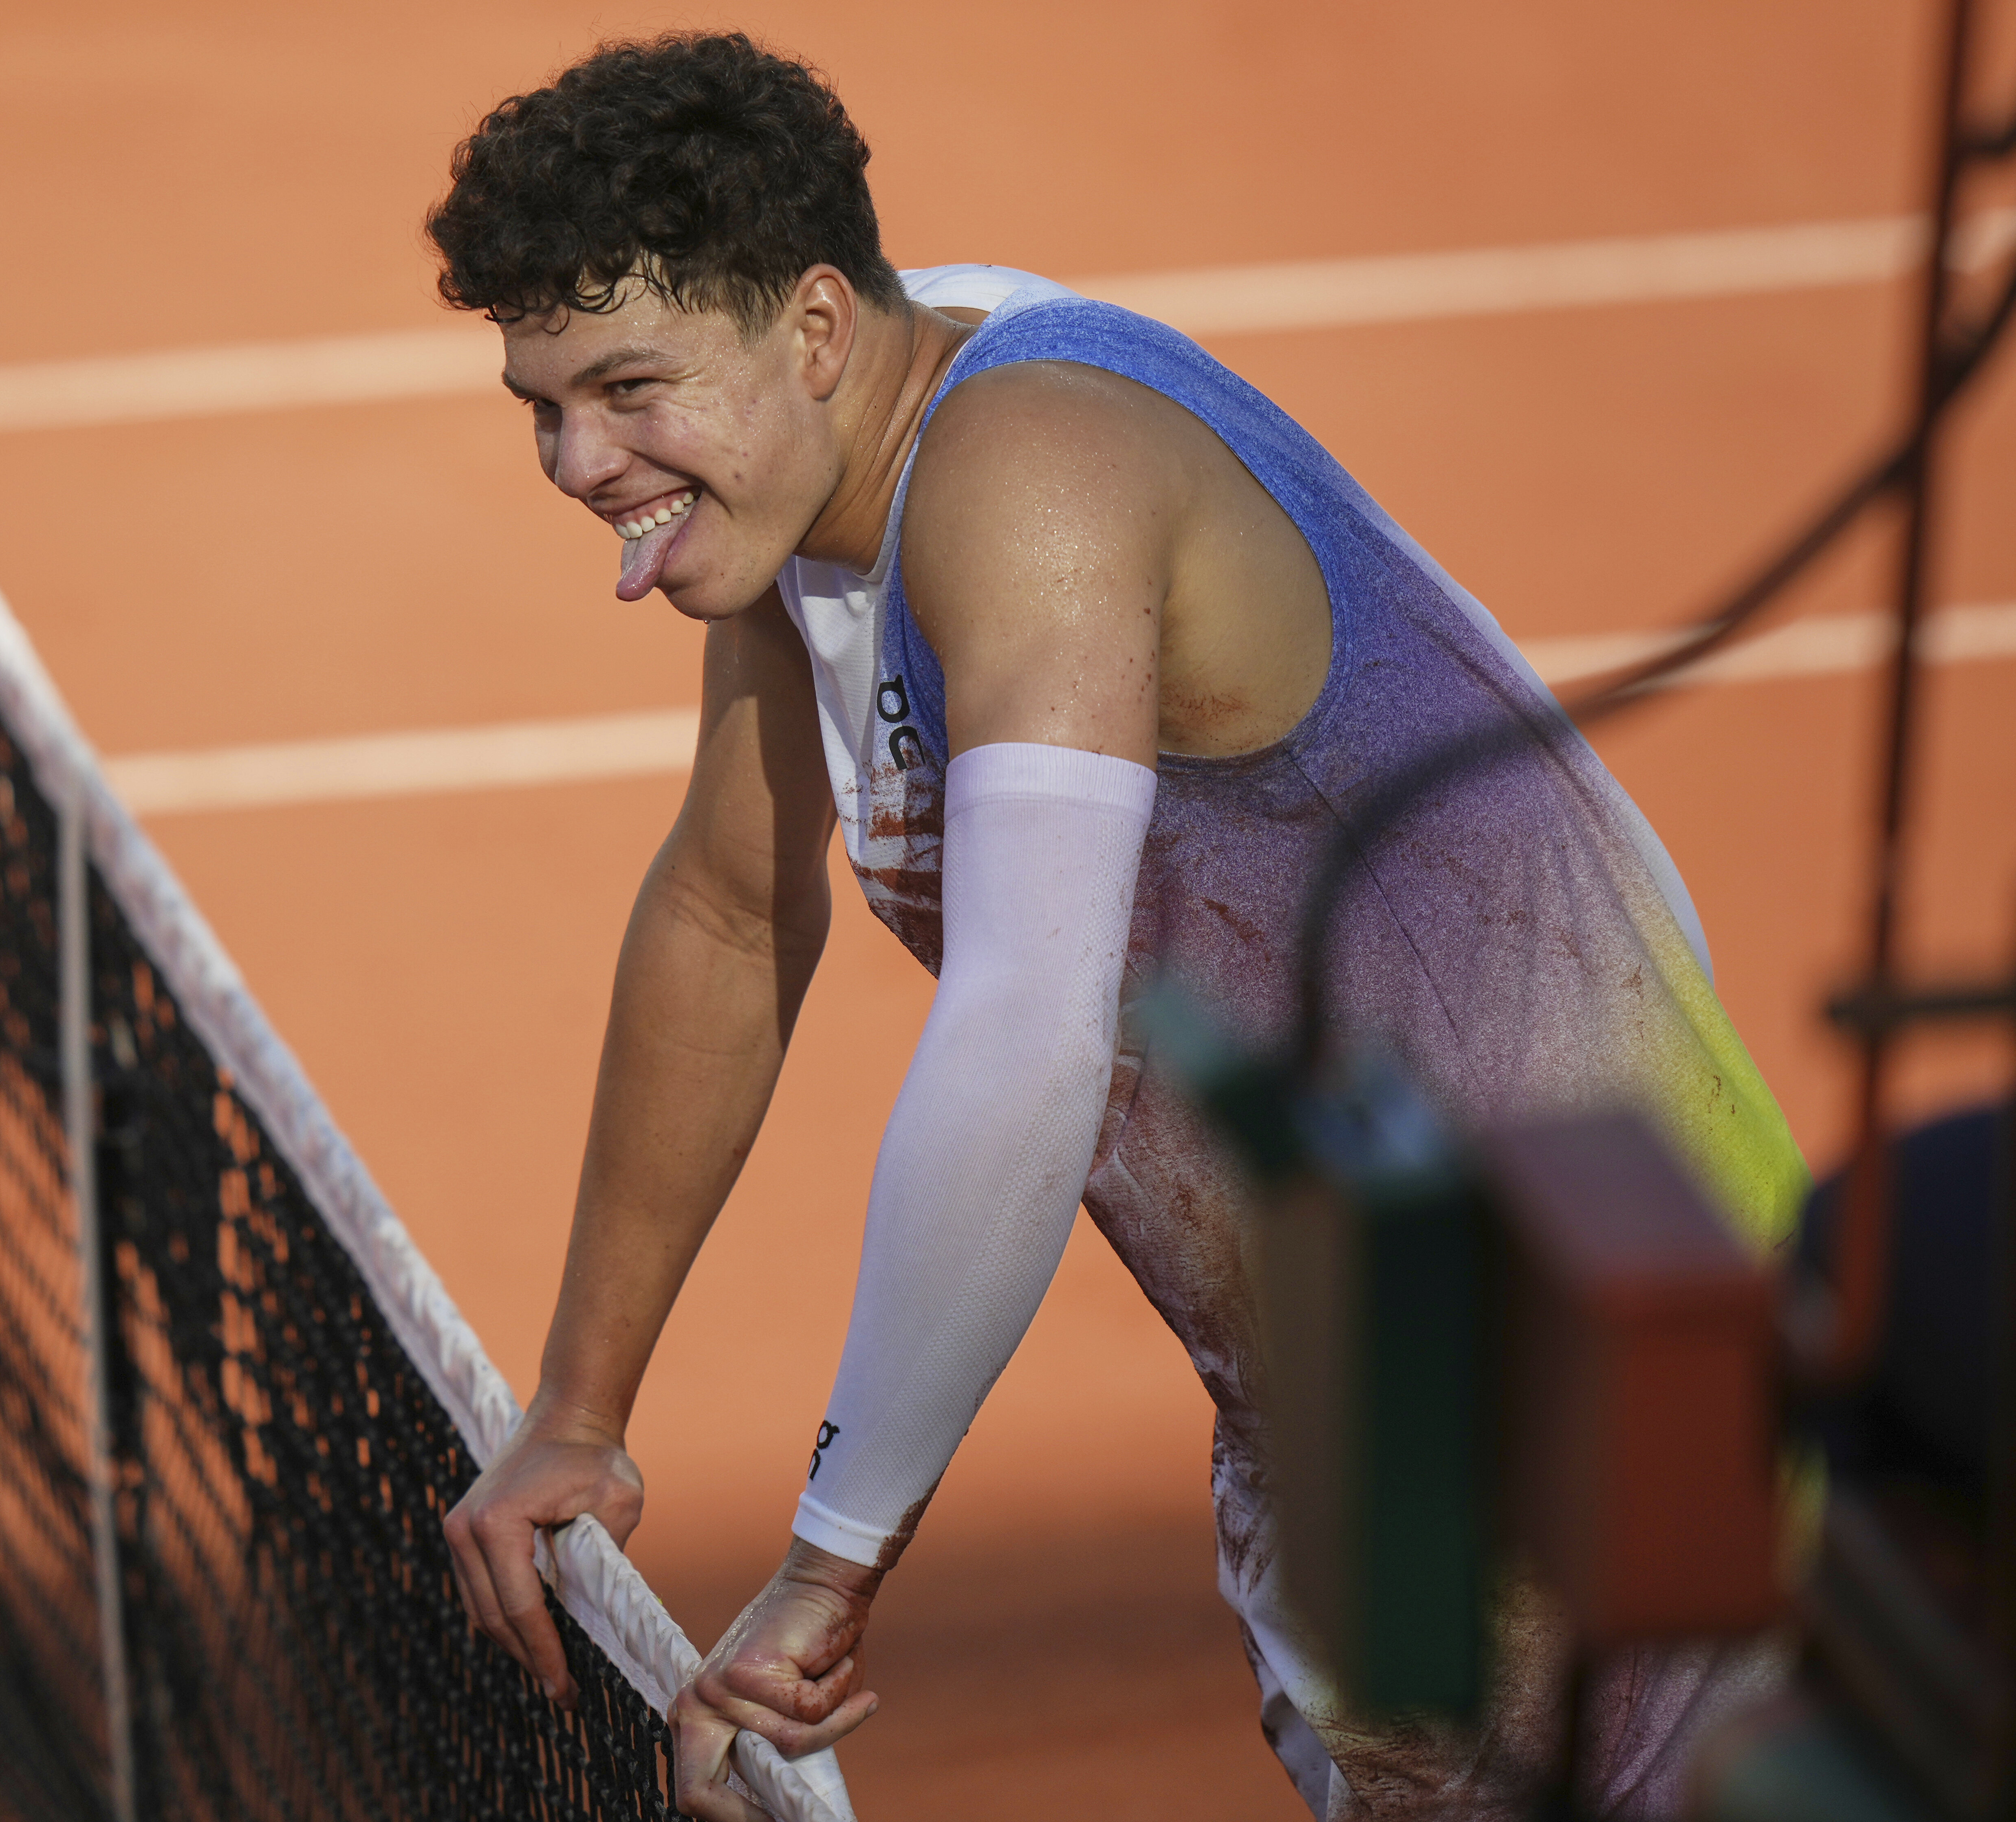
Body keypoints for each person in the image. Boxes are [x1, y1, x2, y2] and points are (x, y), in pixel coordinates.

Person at [425, 32, 1807, 1820]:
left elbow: (1028, 1035)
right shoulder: (809, 480)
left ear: (817, 326)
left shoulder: (1034, 476)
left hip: (1587, 1376)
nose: (577, 459)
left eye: (626, 389)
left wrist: (829, 1567)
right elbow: (729, 904)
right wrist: (579, 1407)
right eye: (542, 405)